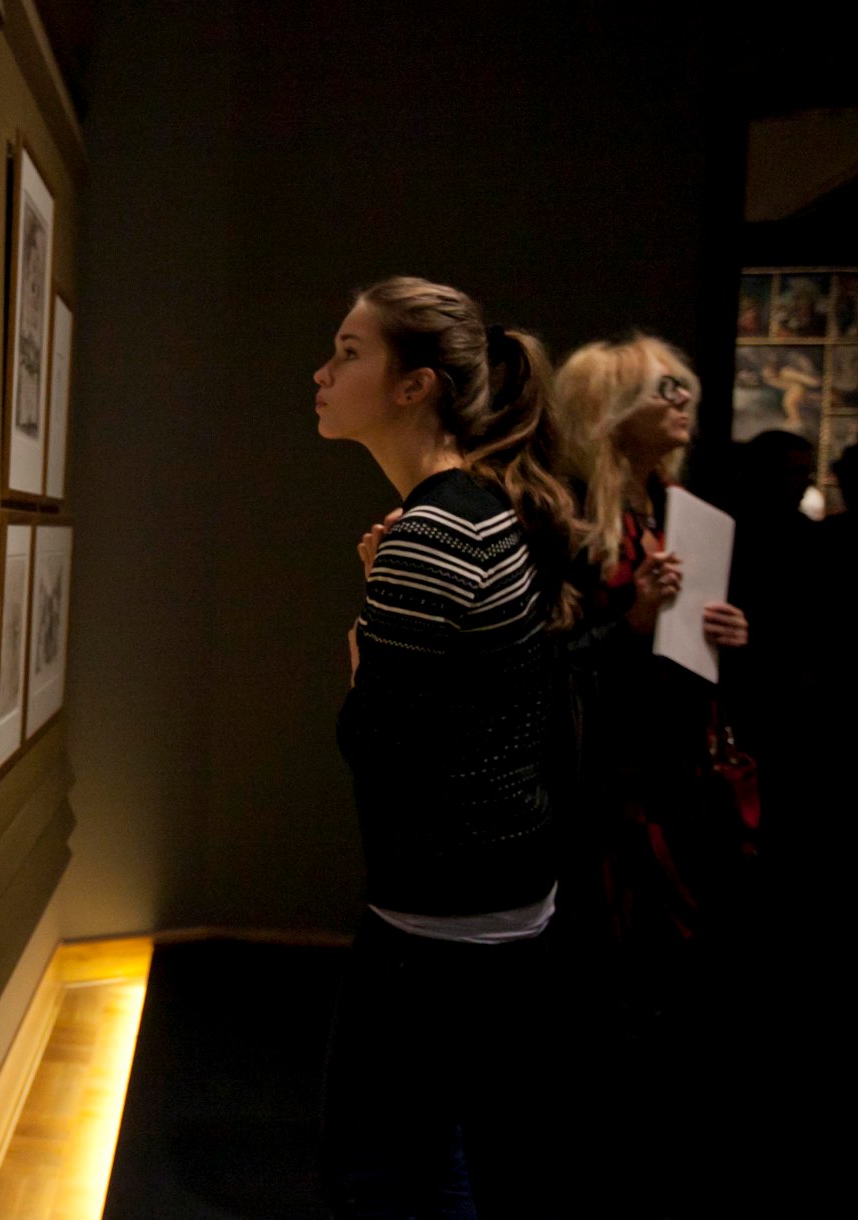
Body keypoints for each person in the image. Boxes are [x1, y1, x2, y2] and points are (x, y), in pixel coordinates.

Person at [315, 276, 577, 1217]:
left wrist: (361, 660)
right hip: (500, 887)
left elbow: (378, 742)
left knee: (385, 1168)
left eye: (349, 353)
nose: (322, 373)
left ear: (414, 385)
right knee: (440, 1149)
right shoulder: (475, 507)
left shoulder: (429, 533)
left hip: (439, 912)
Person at [550, 334, 755, 1212]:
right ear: (608, 409)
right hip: (603, 790)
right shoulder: (567, 517)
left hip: (675, 780)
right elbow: (538, 665)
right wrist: (629, 623)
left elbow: (683, 657)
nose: (681, 404)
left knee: (672, 983)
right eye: (661, 390)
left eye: (683, 390)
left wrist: (727, 638)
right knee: (609, 986)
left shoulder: (678, 510)